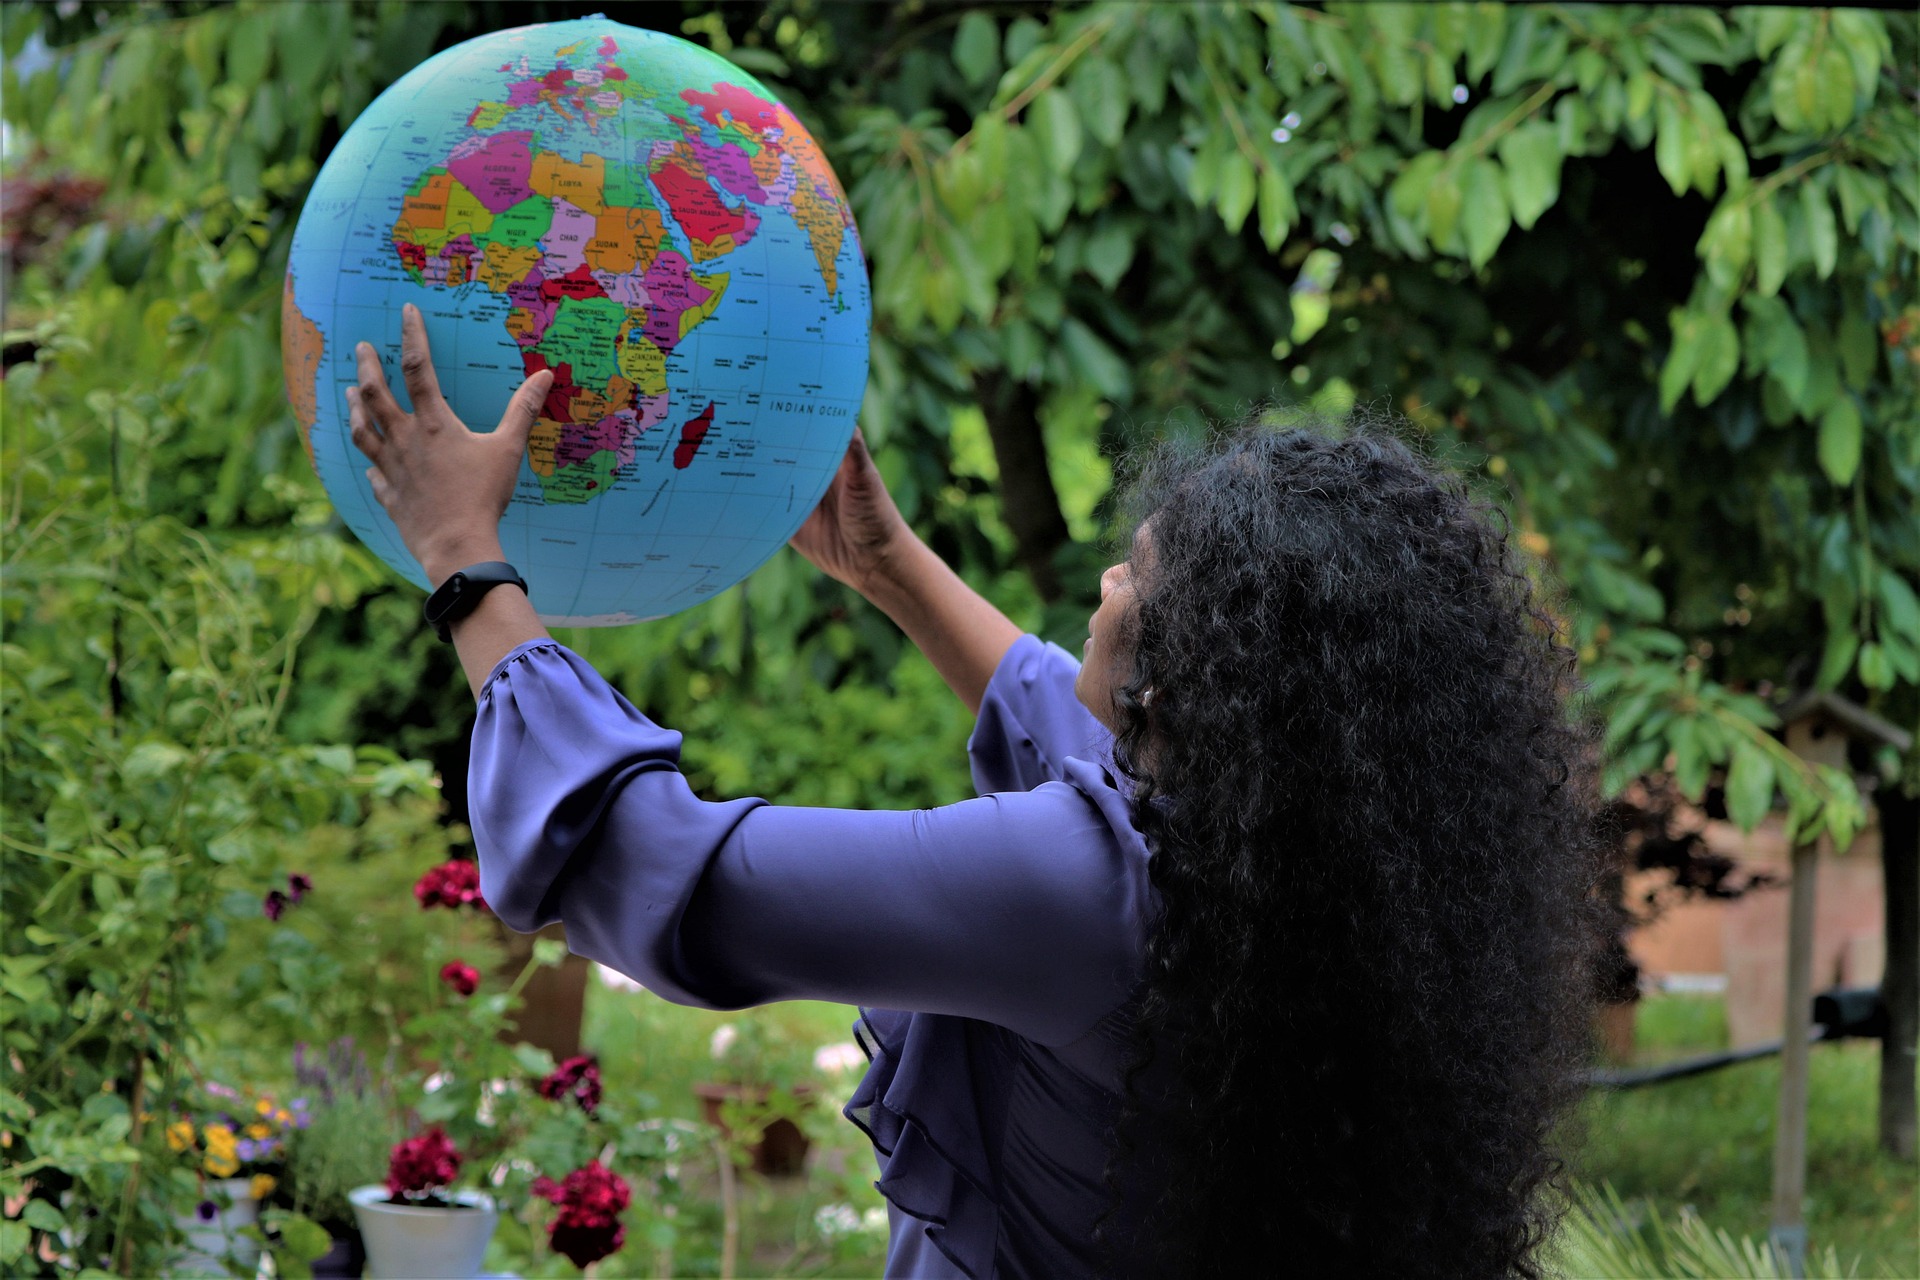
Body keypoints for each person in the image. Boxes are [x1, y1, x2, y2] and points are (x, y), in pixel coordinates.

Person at [349, 306, 1601, 1277]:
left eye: (1136, 572)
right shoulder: (1307, 884)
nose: (1108, 575)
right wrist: (890, 567)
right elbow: (1072, 713)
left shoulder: (1080, 893)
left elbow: (655, 866)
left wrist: (464, 559)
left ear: (1191, 678)